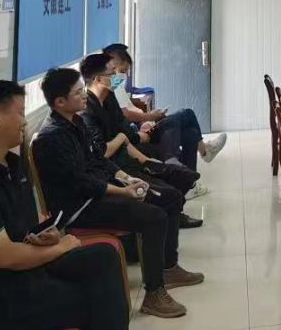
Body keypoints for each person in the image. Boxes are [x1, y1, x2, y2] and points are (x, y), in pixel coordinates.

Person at [0, 81, 129, 330]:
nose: (25, 121)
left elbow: (28, 224)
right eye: (20, 113)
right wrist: (61, 247)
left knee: (104, 257)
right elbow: (4, 257)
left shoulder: (12, 164)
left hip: (27, 274)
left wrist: (50, 235)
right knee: (99, 297)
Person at [32, 68, 202, 319]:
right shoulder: (52, 137)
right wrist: (123, 192)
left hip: (98, 192)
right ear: (59, 102)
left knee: (171, 198)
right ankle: (154, 294)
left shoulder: (75, 122)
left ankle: (168, 267)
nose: (84, 95)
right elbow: (80, 182)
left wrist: (126, 178)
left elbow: (98, 159)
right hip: (79, 208)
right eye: (78, 93)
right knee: (154, 217)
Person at [80, 53, 202, 229]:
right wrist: (126, 140)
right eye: (113, 72)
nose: (117, 76)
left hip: (129, 152)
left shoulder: (109, 98)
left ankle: (173, 210)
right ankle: (171, 212)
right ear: (99, 79)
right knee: (173, 187)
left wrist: (144, 157)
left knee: (187, 168)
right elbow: (104, 151)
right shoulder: (87, 112)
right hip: (117, 168)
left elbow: (123, 129)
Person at [104, 44, 226, 198]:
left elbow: (129, 112)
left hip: (143, 128)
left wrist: (146, 121)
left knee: (190, 133)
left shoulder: (117, 87)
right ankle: (196, 153)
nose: (123, 76)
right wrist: (149, 117)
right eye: (121, 71)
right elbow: (126, 115)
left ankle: (189, 185)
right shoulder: (110, 91)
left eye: (125, 72)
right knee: (186, 114)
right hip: (137, 136)